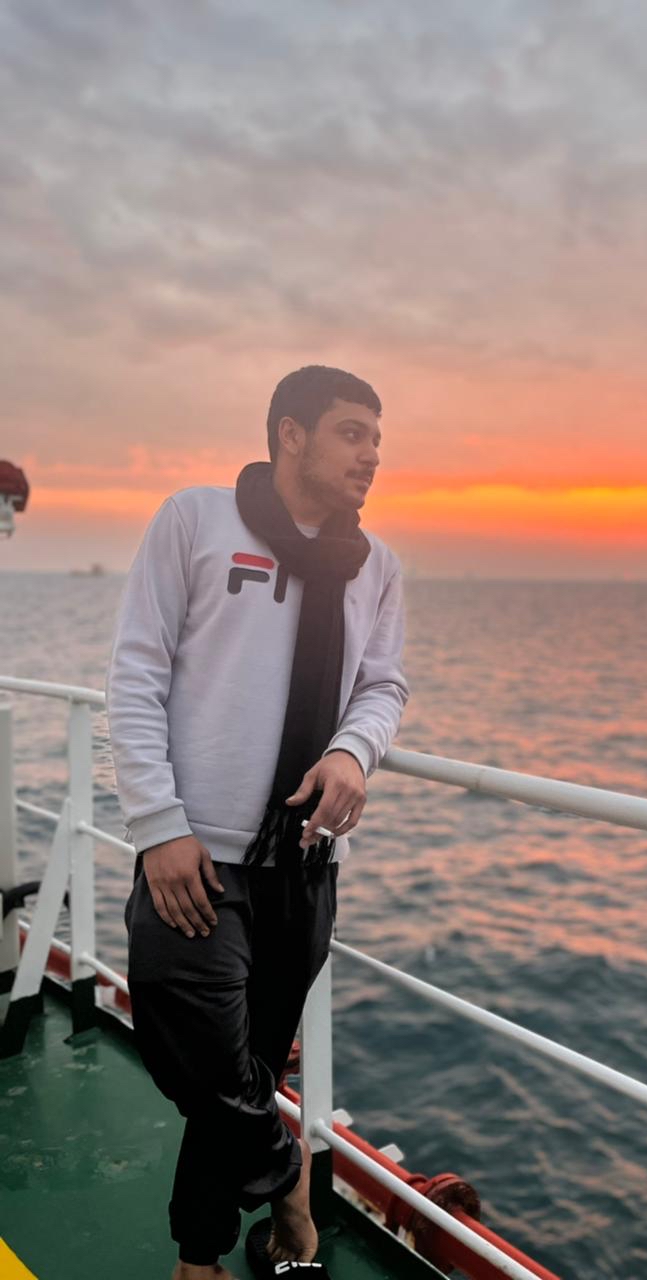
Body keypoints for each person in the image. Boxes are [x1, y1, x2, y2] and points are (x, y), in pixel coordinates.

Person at [106, 365, 409, 1280]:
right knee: (197, 1048)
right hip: (195, 855)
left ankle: (198, 1260)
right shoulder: (196, 521)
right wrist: (160, 826)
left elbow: (383, 686)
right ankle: (290, 1184)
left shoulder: (375, 566)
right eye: (351, 433)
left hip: (303, 862)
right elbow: (136, 674)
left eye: (378, 440)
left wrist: (353, 751)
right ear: (290, 434)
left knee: (244, 1075)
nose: (371, 456)